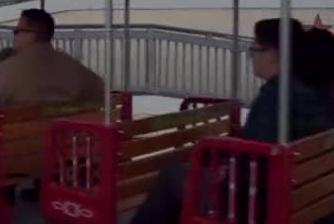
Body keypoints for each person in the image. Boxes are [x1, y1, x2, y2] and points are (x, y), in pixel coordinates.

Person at [131, 18, 334, 224]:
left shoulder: (277, 96)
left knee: (173, 176)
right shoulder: (314, 89)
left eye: (254, 50)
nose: (251, 57)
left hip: (258, 206)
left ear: (274, 54)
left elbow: (255, 154)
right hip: (304, 199)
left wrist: (223, 165)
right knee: (187, 176)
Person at [0, 9, 104, 108]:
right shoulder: (75, 68)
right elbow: (101, 94)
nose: (14, 37)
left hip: (17, 139)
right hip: (62, 139)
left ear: (32, 35)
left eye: (17, 32)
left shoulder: (7, 69)